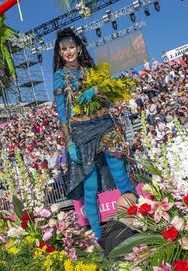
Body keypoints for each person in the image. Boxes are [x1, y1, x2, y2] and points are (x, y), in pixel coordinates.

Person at [52, 28, 135, 238]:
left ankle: (140, 220)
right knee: (90, 186)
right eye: (64, 49)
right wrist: (68, 142)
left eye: (71, 47)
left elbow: (109, 93)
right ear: (60, 53)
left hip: (105, 125)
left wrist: (96, 90)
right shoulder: (59, 76)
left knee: (121, 175)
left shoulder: (91, 71)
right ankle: (98, 236)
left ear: (79, 48)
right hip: (81, 133)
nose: (68, 51)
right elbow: (62, 112)